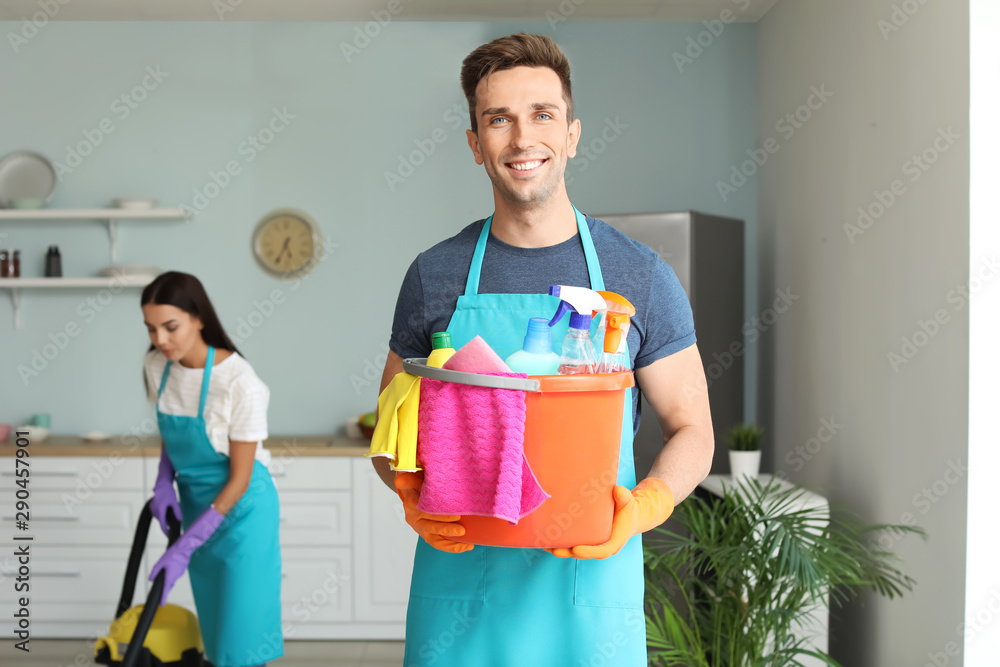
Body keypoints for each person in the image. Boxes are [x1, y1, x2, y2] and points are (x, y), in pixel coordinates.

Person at [374, 33, 715, 665]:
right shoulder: (436, 274)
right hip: (464, 589)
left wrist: (647, 505)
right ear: (476, 144)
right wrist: (408, 492)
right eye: (498, 119)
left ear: (572, 135)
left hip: (588, 590)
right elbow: (389, 426)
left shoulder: (637, 274)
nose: (522, 138)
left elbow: (693, 429)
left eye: (542, 115)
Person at [141, 271, 282, 667]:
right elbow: (172, 431)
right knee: (218, 633)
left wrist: (187, 544)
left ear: (198, 318)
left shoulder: (240, 383)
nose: (160, 340)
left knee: (242, 638)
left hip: (241, 513)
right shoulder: (157, 366)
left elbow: (239, 478)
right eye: (151, 329)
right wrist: (163, 482)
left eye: (170, 327)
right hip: (196, 504)